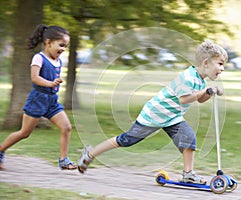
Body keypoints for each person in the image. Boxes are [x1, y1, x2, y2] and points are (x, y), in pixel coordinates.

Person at [78, 39, 227, 183]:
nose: (222, 68)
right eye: (220, 64)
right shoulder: (187, 77)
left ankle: (188, 174)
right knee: (127, 140)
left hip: (172, 116)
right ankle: (90, 153)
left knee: (188, 138)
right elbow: (184, 99)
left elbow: (200, 99)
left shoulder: (201, 80)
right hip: (155, 114)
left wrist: (209, 93)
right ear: (206, 63)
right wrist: (205, 91)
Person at [0, 24, 76, 170]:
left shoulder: (58, 60)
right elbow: (35, 78)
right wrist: (51, 83)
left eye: (66, 46)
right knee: (24, 133)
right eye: (61, 45)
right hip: (38, 100)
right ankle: (1, 150)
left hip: (52, 101)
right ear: (48, 42)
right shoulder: (38, 58)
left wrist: (53, 85)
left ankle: (63, 161)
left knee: (66, 127)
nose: (63, 49)